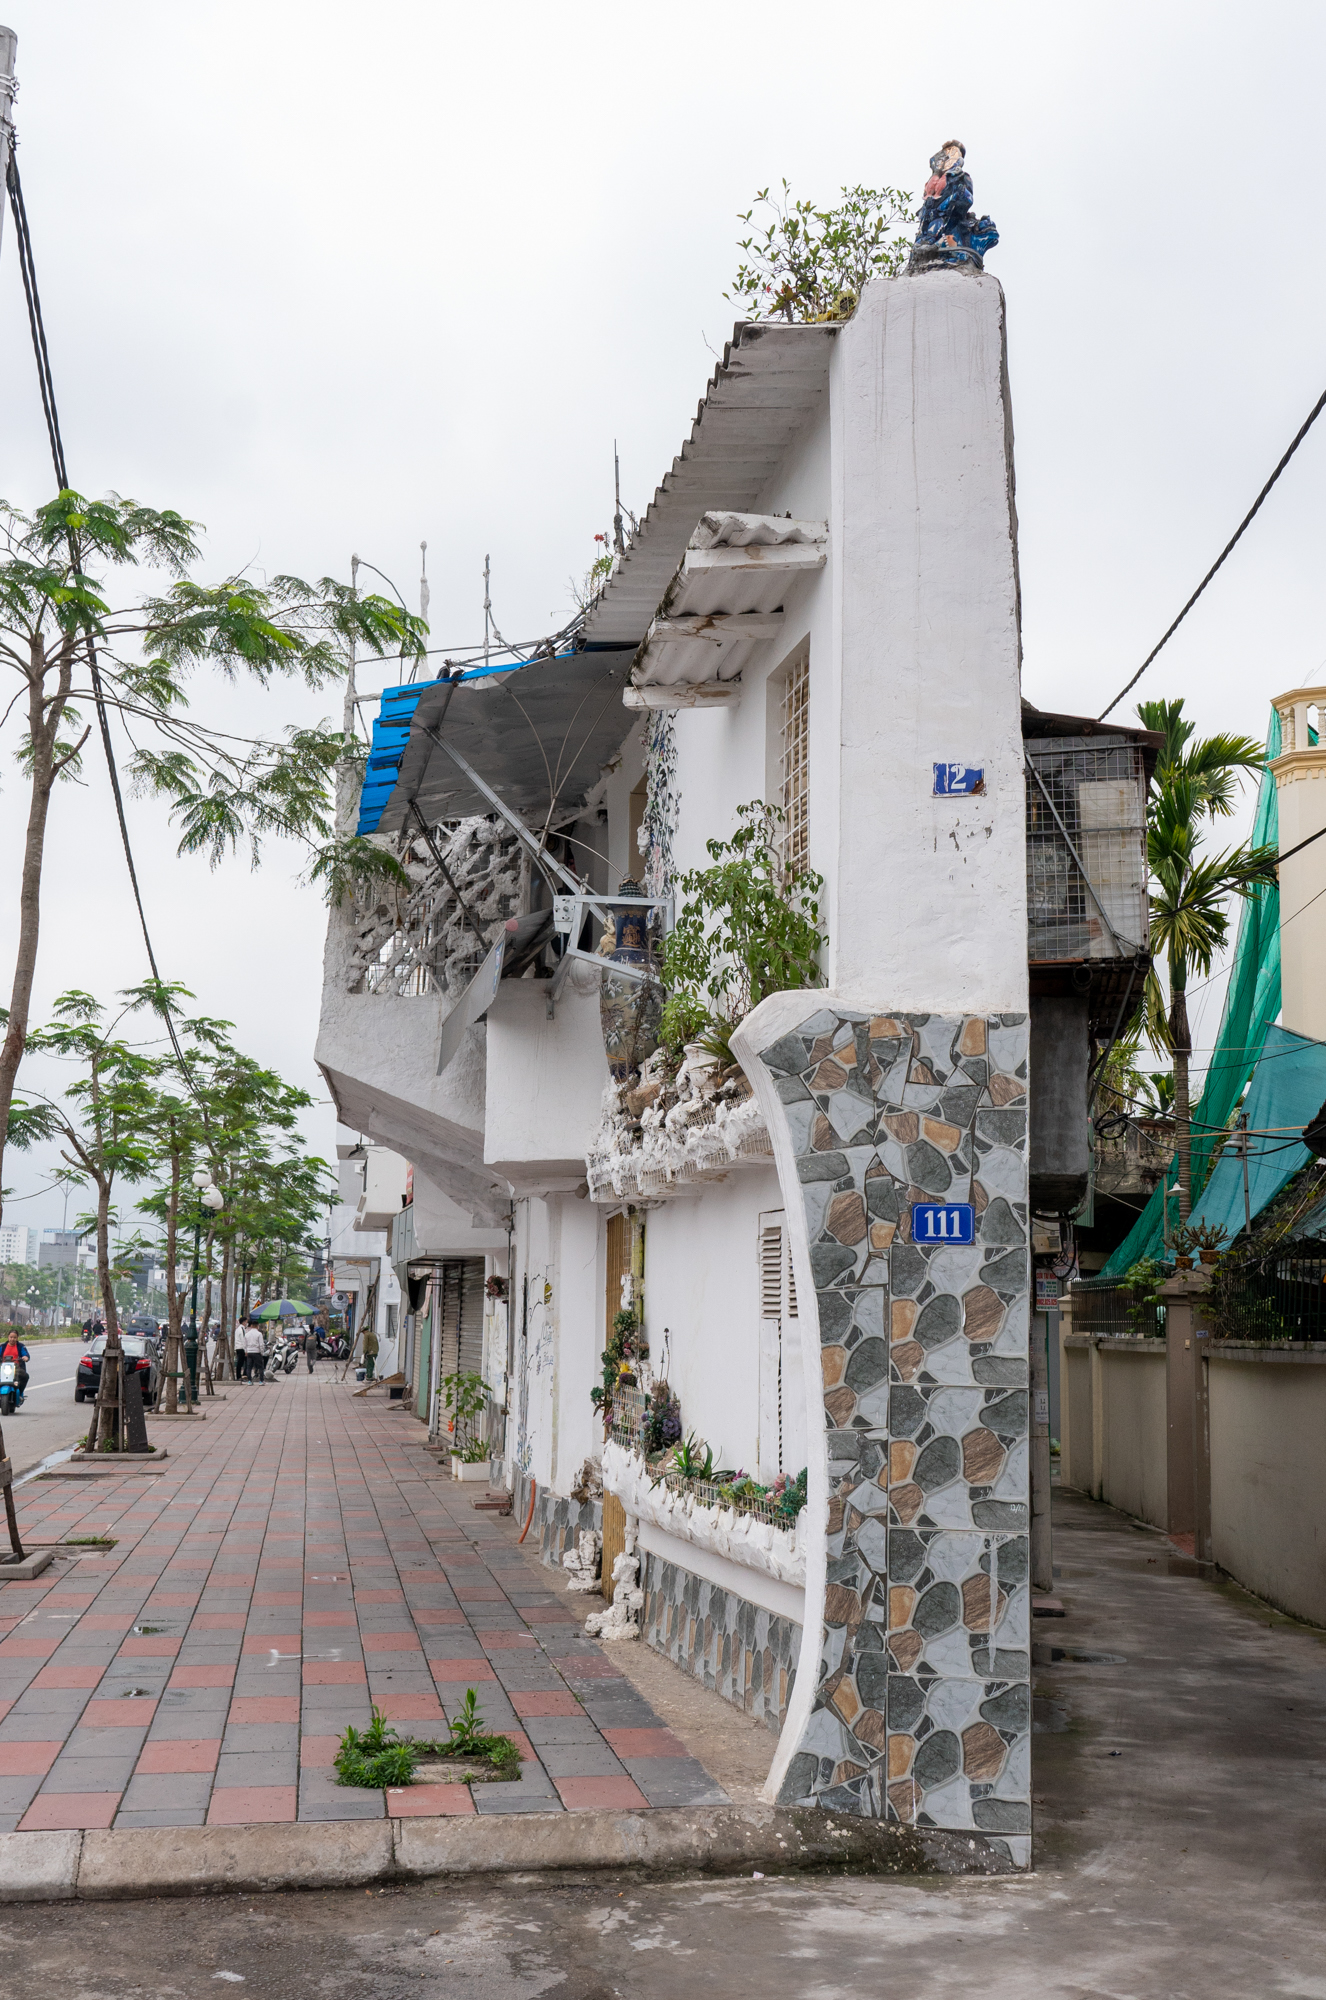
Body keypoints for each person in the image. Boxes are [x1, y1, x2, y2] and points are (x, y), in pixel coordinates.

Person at [1, 1331, 30, 1403]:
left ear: (17, 1338)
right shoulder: (3, 1346)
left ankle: (20, 1393)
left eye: (14, 1337)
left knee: (25, 1376)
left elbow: (25, 1355)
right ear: (8, 1337)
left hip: (17, 1368)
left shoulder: (20, 1346)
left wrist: (25, 1357)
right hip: (3, 1368)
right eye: (11, 1337)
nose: (12, 1339)